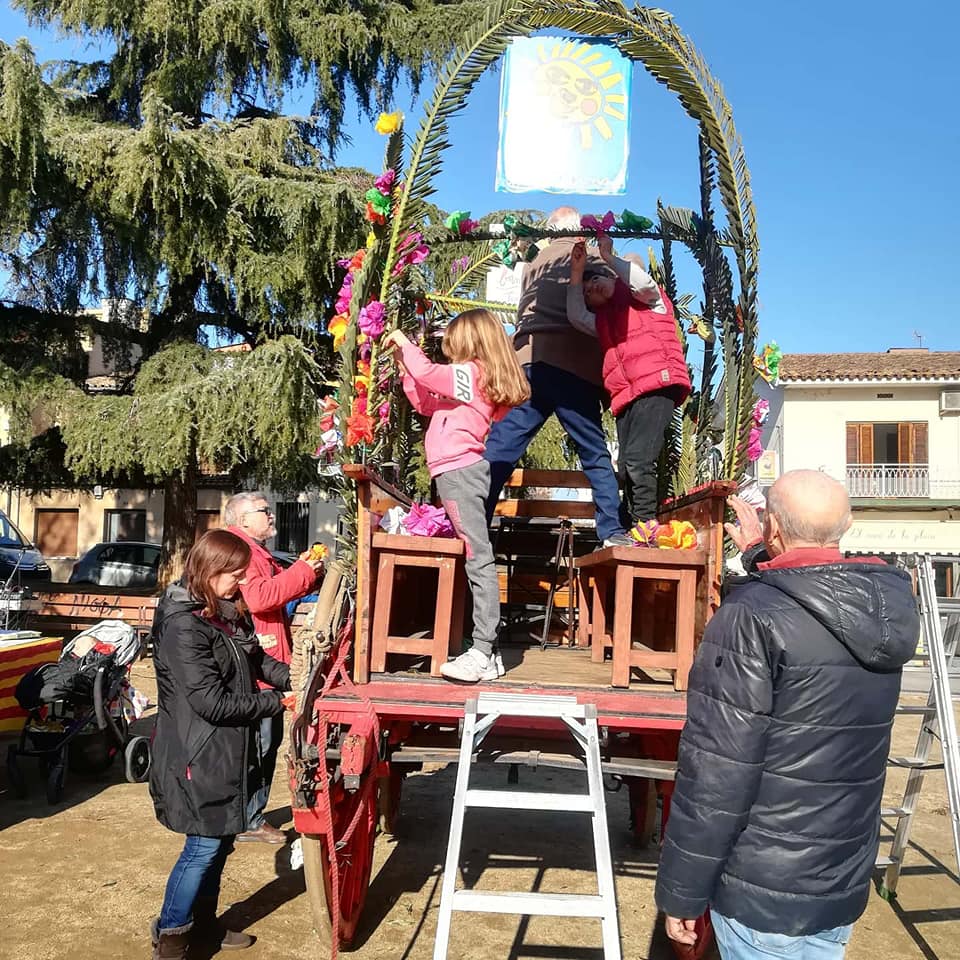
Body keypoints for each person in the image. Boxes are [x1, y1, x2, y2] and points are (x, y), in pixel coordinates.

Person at [654, 470, 920, 959]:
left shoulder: (750, 617)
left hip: (763, 890)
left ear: (773, 525)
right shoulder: (886, 610)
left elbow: (717, 774)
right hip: (836, 883)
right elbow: (810, 594)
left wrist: (682, 892)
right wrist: (762, 555)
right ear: (848, 525)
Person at [149, 529, 291, 960]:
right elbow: (208, 702)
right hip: (197, 752)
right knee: (203, 846)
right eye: (234, 574)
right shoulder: (182, 624)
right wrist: (277, 701)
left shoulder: (224, 611)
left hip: (228, 750)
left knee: (222, 841)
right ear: (208, 570)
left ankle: (206, 928)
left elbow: (257, 659)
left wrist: (297, 679)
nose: (241, 582)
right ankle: (171, 937)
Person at [384, 309, 531, 683]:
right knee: (474, 555)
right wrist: (406, 368)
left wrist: (406, 343)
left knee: (477, 557)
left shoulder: (471, 372)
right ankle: (488, 651)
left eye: (451, 340)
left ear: (469, 340)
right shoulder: (469, 382)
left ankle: (482, 650)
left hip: (460, 474)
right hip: (455, 474)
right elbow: (427, 403)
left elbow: (431, 374)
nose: (447, 347)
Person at [482, 206, 631, 547]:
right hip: (575, 365)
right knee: (594, 451)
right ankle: (612, 531)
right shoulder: (591, 256)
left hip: (530, 362)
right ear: (580, 230)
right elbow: (620, 286)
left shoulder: (535, 264)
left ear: (551, 233)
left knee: (502, 447)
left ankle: (474, 518)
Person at [568, 235, 690, 535]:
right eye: (587, 292)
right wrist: (576, 274)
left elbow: (643, 283)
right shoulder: (602, 322)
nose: (592, 287)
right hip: (626, 396)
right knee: (626, 466)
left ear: (611, 275)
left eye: (594, 280)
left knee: (638, 460)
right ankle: (630, 523)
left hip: (657, 386)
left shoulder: (649, 302)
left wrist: (609, 258)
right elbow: (575, 316)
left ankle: (644, 527)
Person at [224, 492, 323, 843]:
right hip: (258, 664)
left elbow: (277, 591)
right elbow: (261, 597)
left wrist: (306, 573)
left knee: (264, 742)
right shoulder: (244, 552)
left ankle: (249, 814)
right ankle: (249, 819)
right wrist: (302, 571)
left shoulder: (254, 551)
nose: (271, 516)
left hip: (264, 660)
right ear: (242, 519)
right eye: (264, 511)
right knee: (261, 744)